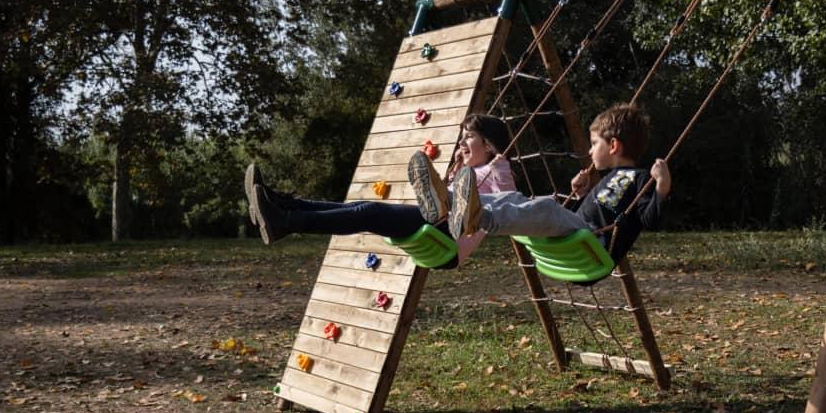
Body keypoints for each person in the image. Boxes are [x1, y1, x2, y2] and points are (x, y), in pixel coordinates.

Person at [413, 103, 671, 265]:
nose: (590, 151)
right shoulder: (605, 180)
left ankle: (477, 217)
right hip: (581, 233)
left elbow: (649, 221)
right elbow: (595, 211)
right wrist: (581, 194)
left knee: (546, 207)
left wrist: (661, 185)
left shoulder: (640, 178)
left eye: (594, 144)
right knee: (514, 200)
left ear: (613, 146)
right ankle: (448, 200)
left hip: (595, 246)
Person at [247, 114, 516, 253]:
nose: (461, 143)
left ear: (489, 145)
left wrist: (498, 163)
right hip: (436, 225)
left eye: (469, 137)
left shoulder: (497, 170)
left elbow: (509, 201)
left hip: (447, 238)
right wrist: (458, 166)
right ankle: (281, 205)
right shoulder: (469, 172)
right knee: (361, 207)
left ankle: (287, 221)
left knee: (369, 213)